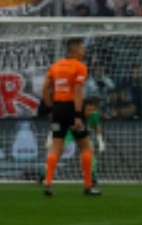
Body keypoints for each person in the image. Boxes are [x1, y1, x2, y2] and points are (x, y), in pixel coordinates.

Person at [41, 38, 101, 197]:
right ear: (74, 50)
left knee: (56, 147)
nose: (84, 51)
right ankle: (88, 186)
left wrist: (49, 109)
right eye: (82, 48)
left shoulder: (55, 66)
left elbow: (45, 89)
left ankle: (47, 182)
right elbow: (77, 92)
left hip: (57, 109)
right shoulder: (80, 67)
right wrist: (77, 115)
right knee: (86, 147)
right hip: (72, 108)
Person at [38, 98, 105, 186]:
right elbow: (56, 123)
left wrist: (100, 141)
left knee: (90, 150)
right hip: (67, 132)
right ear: (82, 108)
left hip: (80, 131)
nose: (90, 112)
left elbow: (97, 128)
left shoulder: (94, 115)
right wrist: (50, 137)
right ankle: (43, 176)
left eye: (92, 109)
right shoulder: (72, 112)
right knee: (58, 152)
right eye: (88, 110)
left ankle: (92, 177)